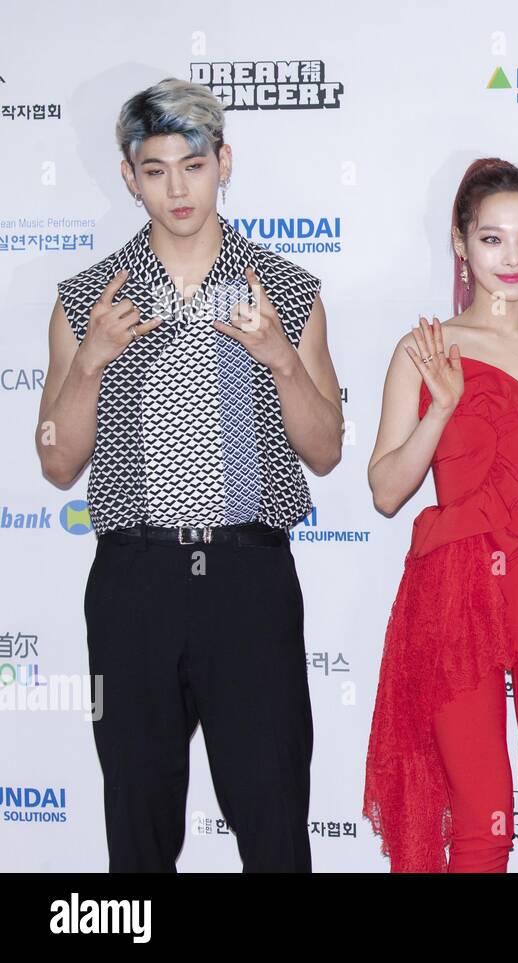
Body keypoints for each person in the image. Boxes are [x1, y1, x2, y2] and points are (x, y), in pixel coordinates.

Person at [35, 78, 343, 872]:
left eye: (194, 165)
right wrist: (92, 360)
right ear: (130, 175)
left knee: (274, 821)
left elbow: (327, 448)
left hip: (250, 576)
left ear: (224, 164)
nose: (178, 188)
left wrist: (279, 355)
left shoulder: (286, 288)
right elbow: (57, 459)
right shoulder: (84, 301)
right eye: (157, 168)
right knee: (137, 832)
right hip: (135, 580)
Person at [363, 158, 518, 872]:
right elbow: (386, 489)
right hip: (457, 588)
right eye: (493, 239)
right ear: (460, 242)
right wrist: (440, 406)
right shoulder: (424, 351)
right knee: (480, 822)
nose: (513, 258)